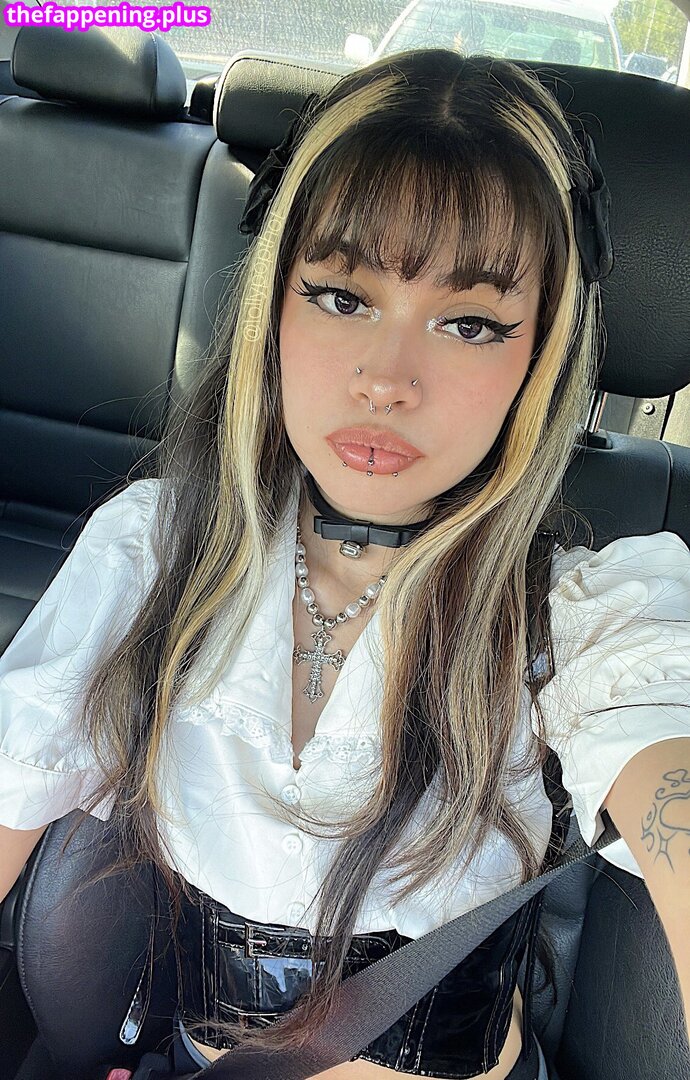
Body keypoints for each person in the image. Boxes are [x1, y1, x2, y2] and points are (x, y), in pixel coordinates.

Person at [1, 47, 689, 1080]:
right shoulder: (153, 554)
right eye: (340, 297)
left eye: (469, 323)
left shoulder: (584, 618)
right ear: (274, 304)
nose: (386, 379)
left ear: (538, 354)